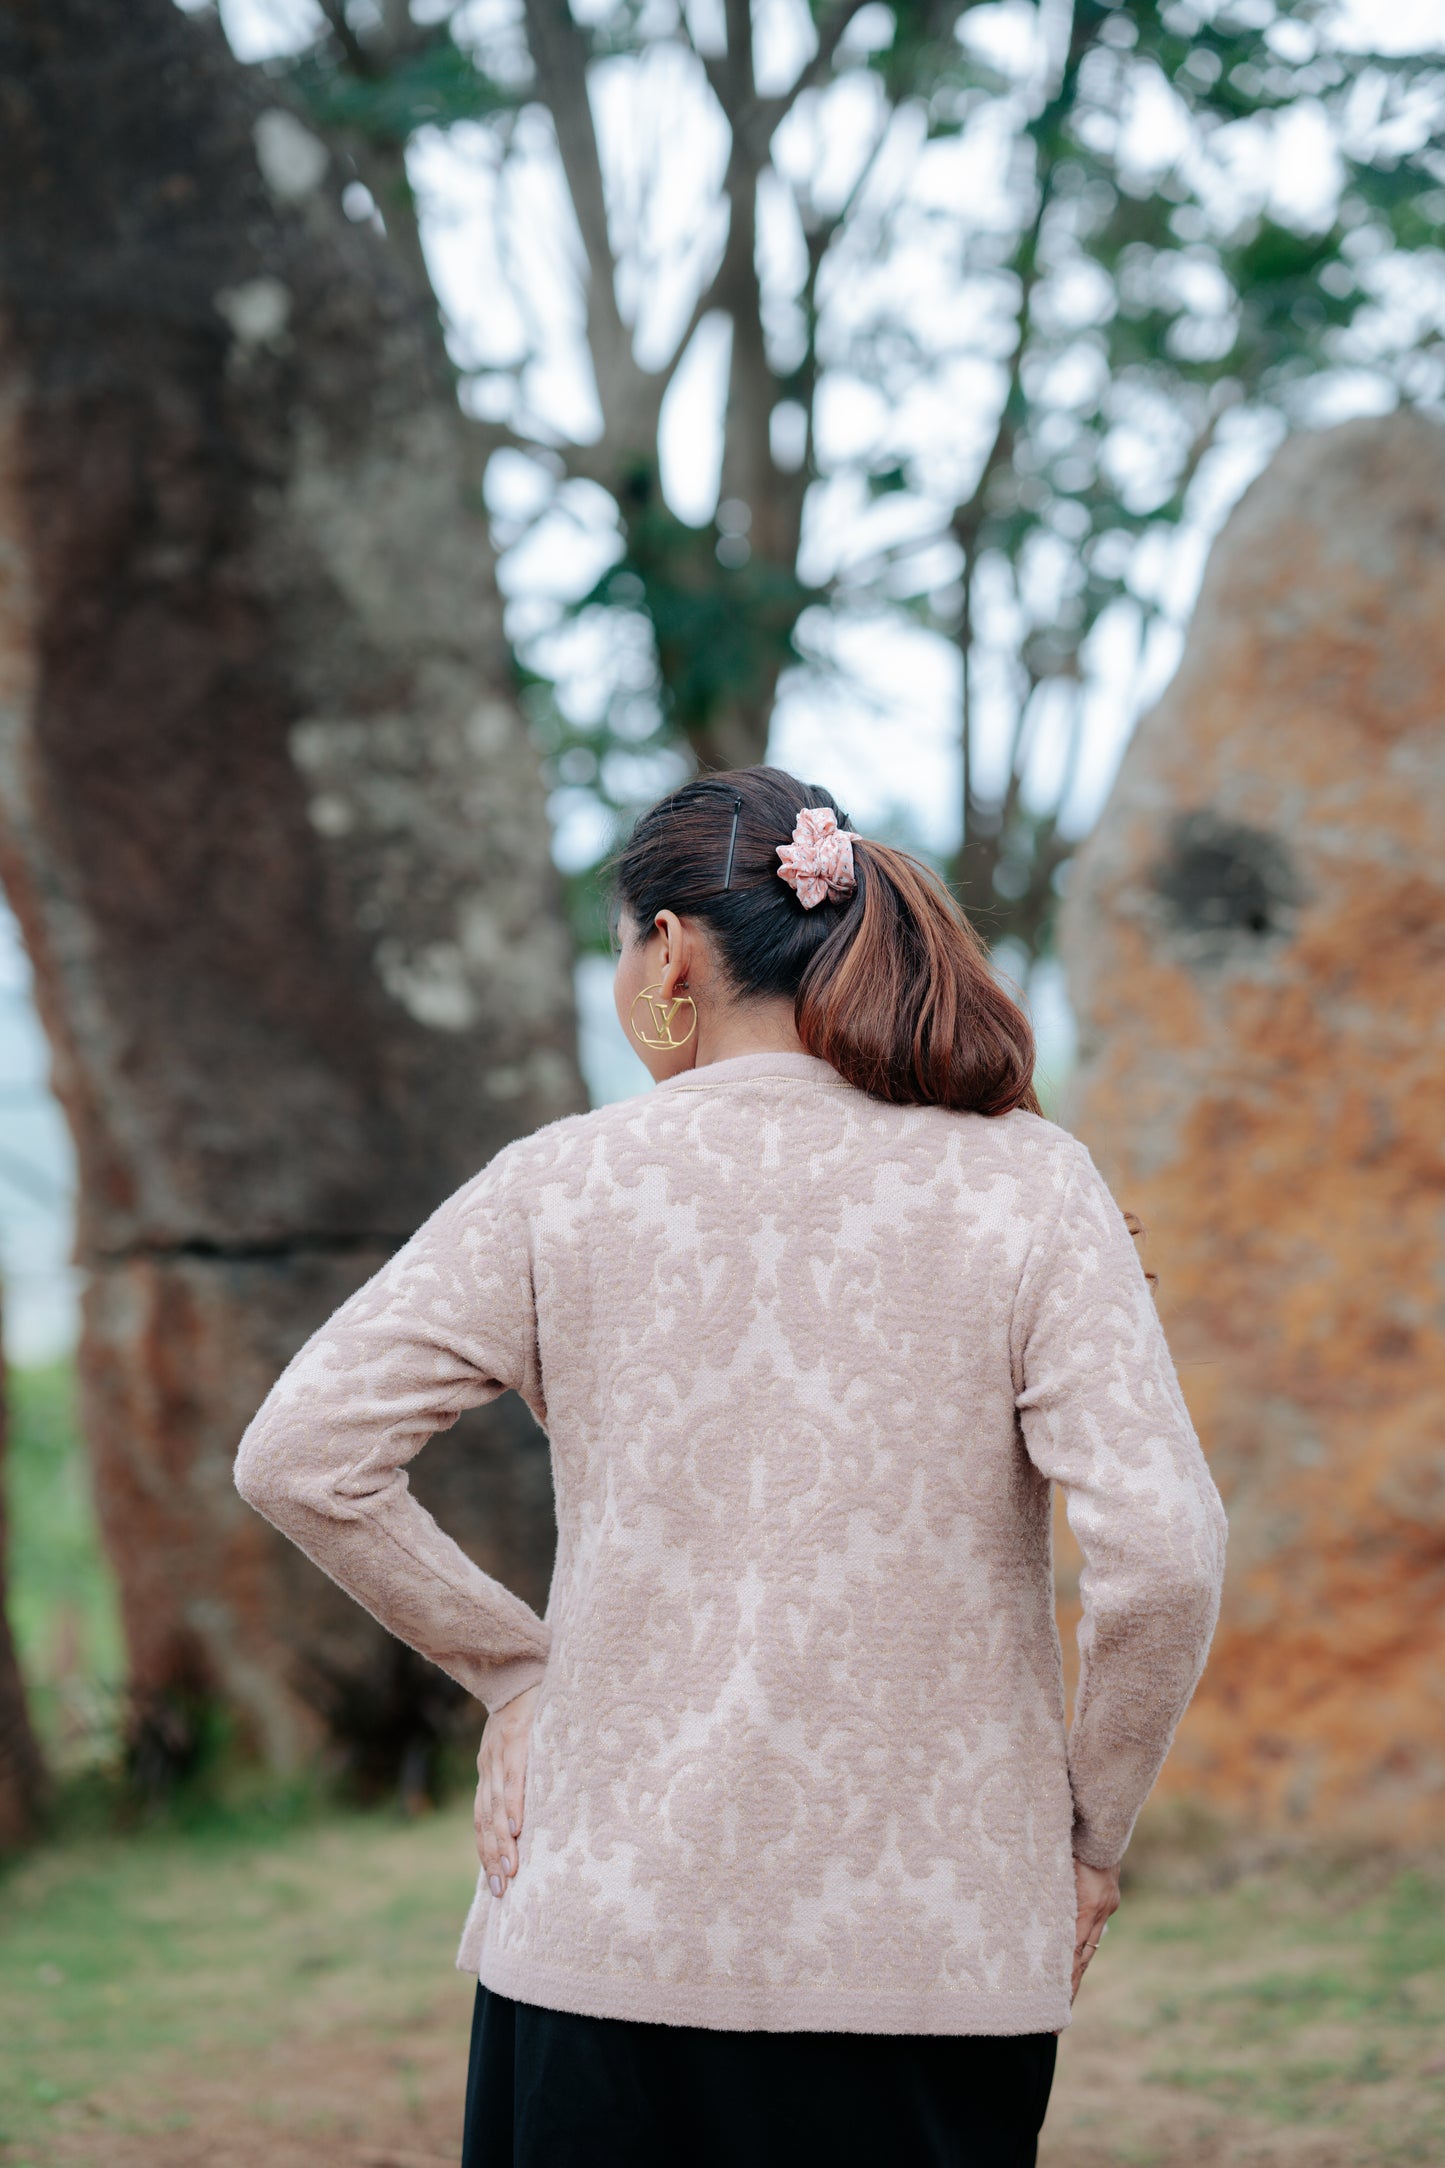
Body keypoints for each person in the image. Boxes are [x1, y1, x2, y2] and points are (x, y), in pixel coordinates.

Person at [233, 765, 1228, 2168]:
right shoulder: (1029, 1181)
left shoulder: (557, 1183)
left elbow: (300, 1455)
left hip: (599, 1940)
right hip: (937, 1949)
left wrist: (511, 1669)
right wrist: (1082, 1833)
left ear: (672, 951)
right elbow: (1165, 1555)